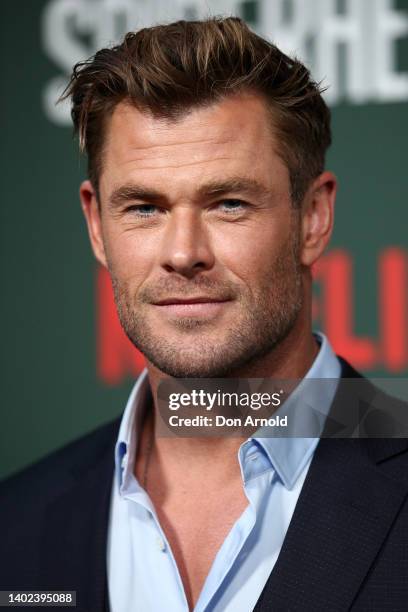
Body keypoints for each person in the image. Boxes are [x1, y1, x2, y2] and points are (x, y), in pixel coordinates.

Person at [1, 16, 407, 612]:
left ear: (313, 218)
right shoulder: (16, 523)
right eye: (143, 208)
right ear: (96, 225)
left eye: (229, 203)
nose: (183, 253)